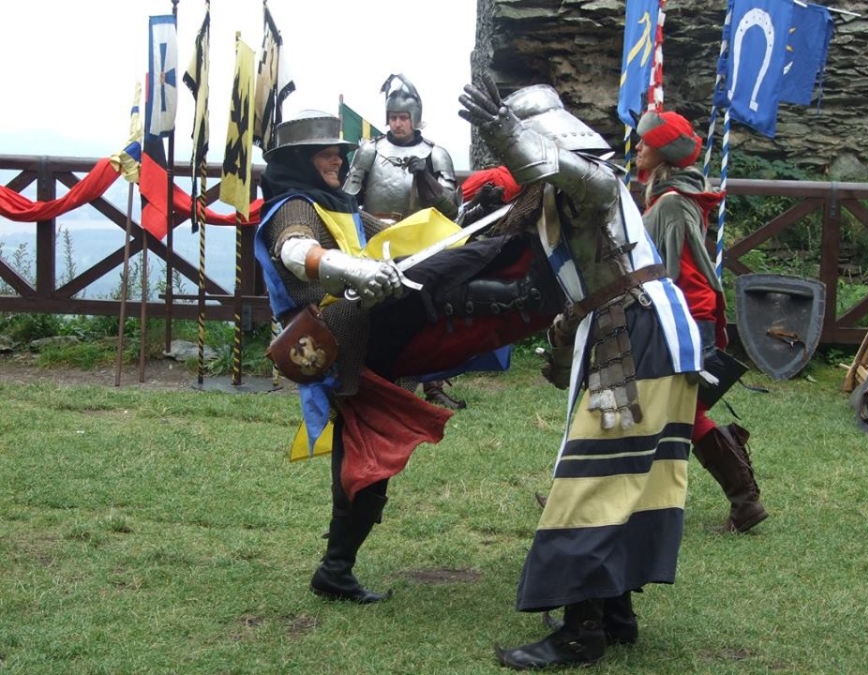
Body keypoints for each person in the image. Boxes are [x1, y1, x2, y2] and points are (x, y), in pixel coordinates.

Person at [458, 76, 703, 670]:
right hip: (643, 331)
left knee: (592, 482)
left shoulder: (593, 180)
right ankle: (616, 612)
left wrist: (502, 130)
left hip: (637, 332)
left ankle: (580, 633)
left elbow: (557, 169)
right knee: (631, 478)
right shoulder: (556, 196)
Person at [254, 109, 453, 604]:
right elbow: (295, 251)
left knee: (370, 457)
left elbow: (390, 232)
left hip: (367, 343)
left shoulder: (337, 204)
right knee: (365, 458)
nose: (338, 162)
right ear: (301, 160)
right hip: (340, 350)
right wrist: (355, 271)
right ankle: (335, 569)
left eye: (339, 154)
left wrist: (456, 225)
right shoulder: (294, 206)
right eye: (326, 155)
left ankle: (337, 567)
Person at [635, 109, 768, 533]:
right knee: (655, 410)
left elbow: (687, 274)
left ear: (664, 154)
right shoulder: (671, 197)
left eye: (646, 143)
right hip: (683, 319)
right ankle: (617, 499)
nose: (637, 148)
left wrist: (688, 331)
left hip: (685, 322)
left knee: (678, 413)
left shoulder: (673, 203)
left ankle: (745, 501)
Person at [344, 73, 466, 409]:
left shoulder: (435, 154)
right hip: (376, 239)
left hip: (419, 241)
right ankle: (371, 376)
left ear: (415, 118)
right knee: (373, 311)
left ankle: (433, 382)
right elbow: (348, 199)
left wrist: (425, 177)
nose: (398, 123)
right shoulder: (369, 151)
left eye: (403, 117)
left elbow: (451, 208)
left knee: (427, 312)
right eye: (393, 117)